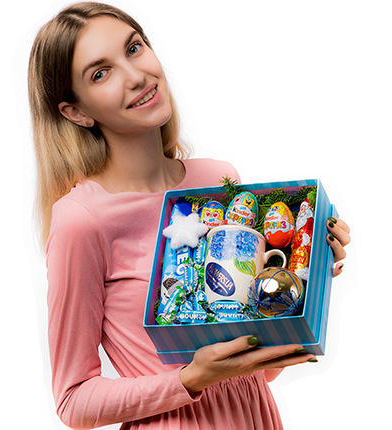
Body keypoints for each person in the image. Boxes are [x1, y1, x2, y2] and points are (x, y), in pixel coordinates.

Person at [28, 3, 351, 429]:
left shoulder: (217, 181)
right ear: (76, 111)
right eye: (101, 73)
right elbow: (73, 401)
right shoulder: (82, 219)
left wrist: (311, 276)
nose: (136, 76)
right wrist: (189, 379)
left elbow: (248, 363)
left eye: (134, 48)